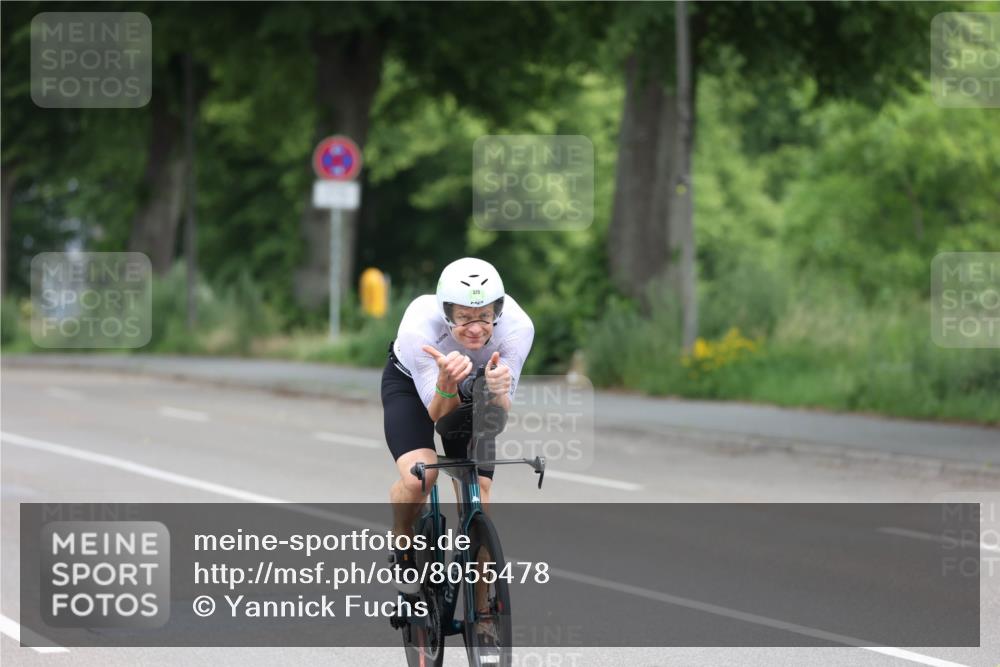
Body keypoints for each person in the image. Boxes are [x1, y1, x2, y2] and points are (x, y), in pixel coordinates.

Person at [381, 257, 534, 593]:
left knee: (479, 490)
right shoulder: (419, 329)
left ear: (498, 311)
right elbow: (438, 414)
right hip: (414, 386)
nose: (476, 328)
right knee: (420, 477)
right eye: (464, 317)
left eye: (484, 316)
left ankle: (484, 610)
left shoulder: (517, 329)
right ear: (446, 313)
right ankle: (403, 537)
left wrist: (498, 392)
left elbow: (499, 415)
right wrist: (447, 382)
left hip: (477, 388)